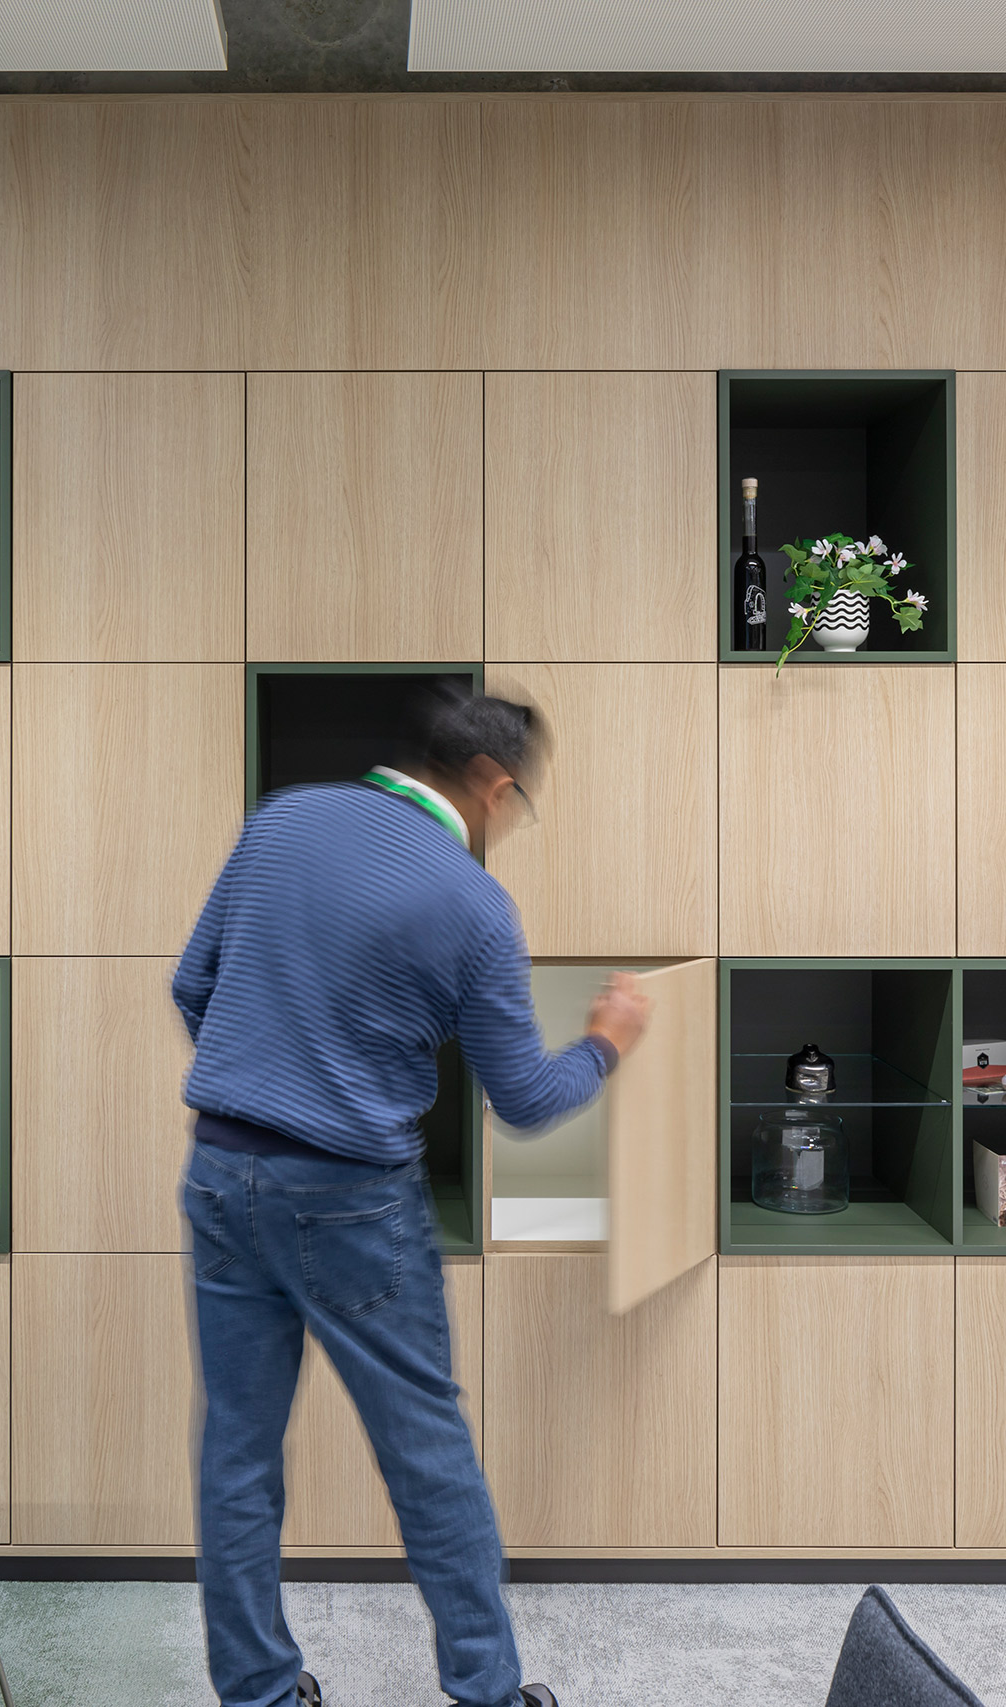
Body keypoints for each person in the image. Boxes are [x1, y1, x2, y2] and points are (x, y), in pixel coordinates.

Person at [171, 689, 652, 1707]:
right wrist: (605, 1043)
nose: (509, 821)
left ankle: (257, 1693)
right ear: (490, 782)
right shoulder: (473, 902)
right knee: (427, 1454)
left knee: (236, 1453)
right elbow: (525, 1099)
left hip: (219, 1172)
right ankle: (485, 1692)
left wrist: (275, 1075)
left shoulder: (284, 818)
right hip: (350, 1200)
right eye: (518, 803)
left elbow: (192, 985)